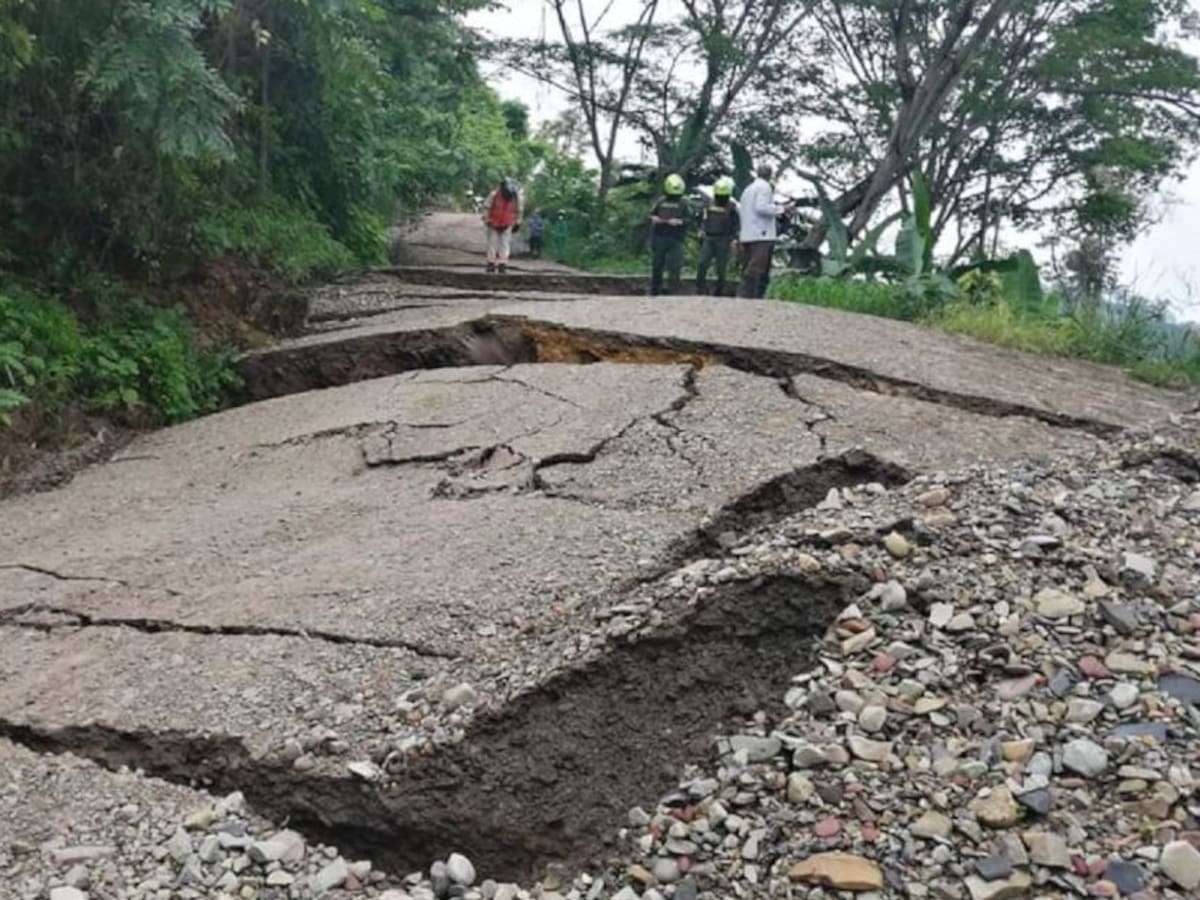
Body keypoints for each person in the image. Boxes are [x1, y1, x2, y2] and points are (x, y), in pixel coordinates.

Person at [737, 163, 793, 299]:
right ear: (769, 175)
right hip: (761, 234)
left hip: (748, 233)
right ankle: (748, 296)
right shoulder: (765, 187)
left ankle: (751, 296)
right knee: (757, 267)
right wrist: (782, 209)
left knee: (750, 265)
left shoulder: (748, 189)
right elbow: (761, 207)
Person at [697, 176, 740, 296]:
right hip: (709, 237)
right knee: (702, 262)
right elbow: (704, 219)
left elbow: (736, 224)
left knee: (721, 267)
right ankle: (700, 287)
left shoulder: (732, 207)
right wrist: (701, 230)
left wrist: (735, 239)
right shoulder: (709, 204)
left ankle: (719, 290)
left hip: (724, 239)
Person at [649, 173, 689, 296]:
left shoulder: (684, 203)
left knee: (675, 266)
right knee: (657, 264)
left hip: (676, 239)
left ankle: (673, 292)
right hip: (660, 237)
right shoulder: (660, 201)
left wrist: (679, 222)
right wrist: (654, 218)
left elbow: (689, 219)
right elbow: (650, 215)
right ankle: (655, 291)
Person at [482, 177, 522, 273]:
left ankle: (502, 263)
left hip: (507, 222)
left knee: (504, 244)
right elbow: (487, 207)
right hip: (493, 221)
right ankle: (491, 262)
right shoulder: (494, 195)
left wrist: (517, 222)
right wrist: (486, 218)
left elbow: (518, 210)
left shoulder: (515, 197)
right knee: (492, 243)